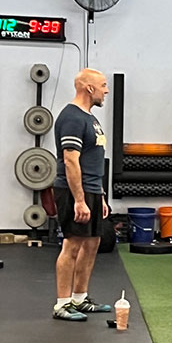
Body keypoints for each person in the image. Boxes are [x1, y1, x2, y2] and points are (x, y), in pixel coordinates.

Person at [52, 68, 112, 321]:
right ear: (89, 88)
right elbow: (70, 161)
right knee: (73, 244)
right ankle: (62, 304)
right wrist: (79, 200)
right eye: (103, 85)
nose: (106, 90)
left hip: (90, 189)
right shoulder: (72, 118)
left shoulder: (90, 118)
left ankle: (80, 298)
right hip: (72, 190)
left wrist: (98, 196)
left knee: (92, 242)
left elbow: (93, 160)